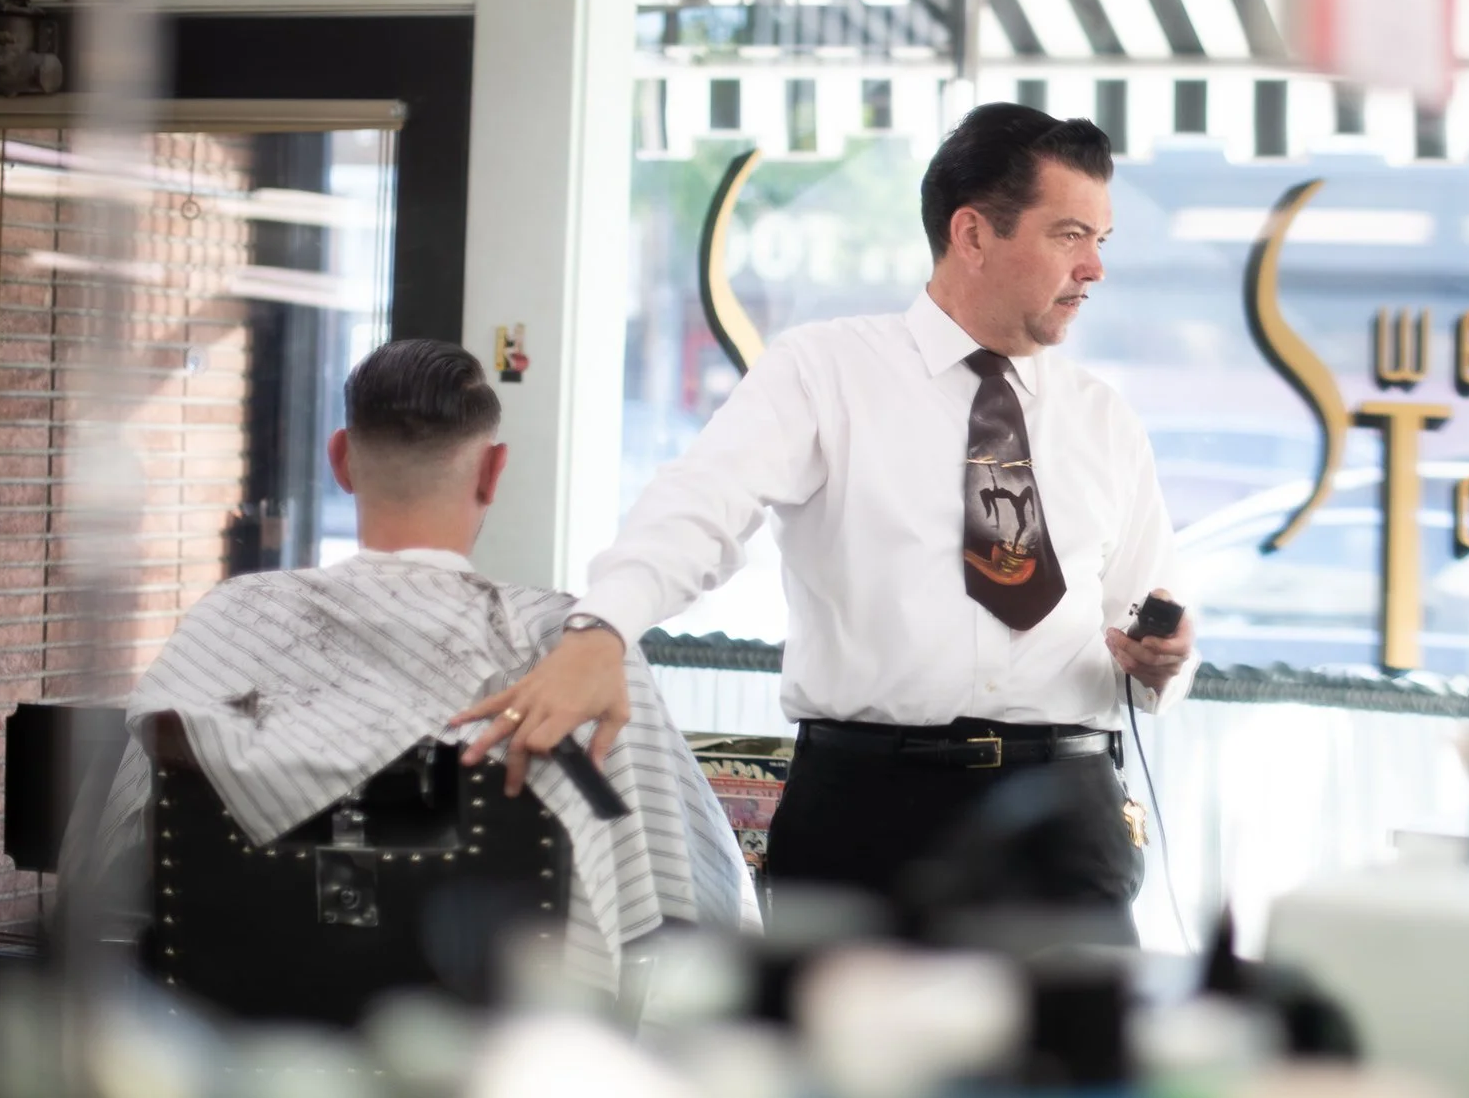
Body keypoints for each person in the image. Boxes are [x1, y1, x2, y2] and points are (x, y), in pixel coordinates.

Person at [460, 104, 1196, 932]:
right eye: (1070, 235)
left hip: (1065, 818)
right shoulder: (825, 372)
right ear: (973, 234)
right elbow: (698, 508)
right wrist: (599, 631)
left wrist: (1164, 662)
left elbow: (1140, 627)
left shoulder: (1104, 419)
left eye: (1102, 238)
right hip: (871, 815)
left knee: (1081, 1062)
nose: (1095, 267)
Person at [64, 339, 759, 991]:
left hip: (242, 1026)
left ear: (340, 459)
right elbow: (691, 897)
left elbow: (118, 862)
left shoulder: (227, 626)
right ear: (492, 470)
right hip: (500, 1039)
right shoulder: (569, 649)